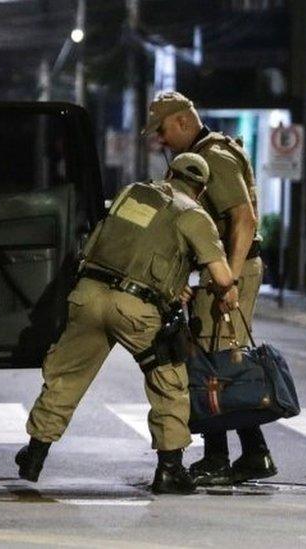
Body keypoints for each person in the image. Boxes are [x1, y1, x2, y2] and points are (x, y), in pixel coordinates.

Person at [16, 153, 239, 494]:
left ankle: (34, 455)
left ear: (168, 172)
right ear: (202, 188)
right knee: (168, 380)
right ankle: (169, 470)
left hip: (88, 295)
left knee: (66, 377)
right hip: (136, 310)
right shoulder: (195, 215)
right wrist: (226, 290)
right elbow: (222, 277)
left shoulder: (133, 193)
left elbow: (121, 243)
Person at [143, 91, 273, 486]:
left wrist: (227, 281)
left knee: (212, 362)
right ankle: (254, 454)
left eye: (163, 130)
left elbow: (243, 219)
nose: (160, 140)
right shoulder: (199, 156)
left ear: (182, 121)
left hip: (231, 269)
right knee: (213, 358)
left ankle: (222, 457)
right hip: (215, 271)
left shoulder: (214, 156)